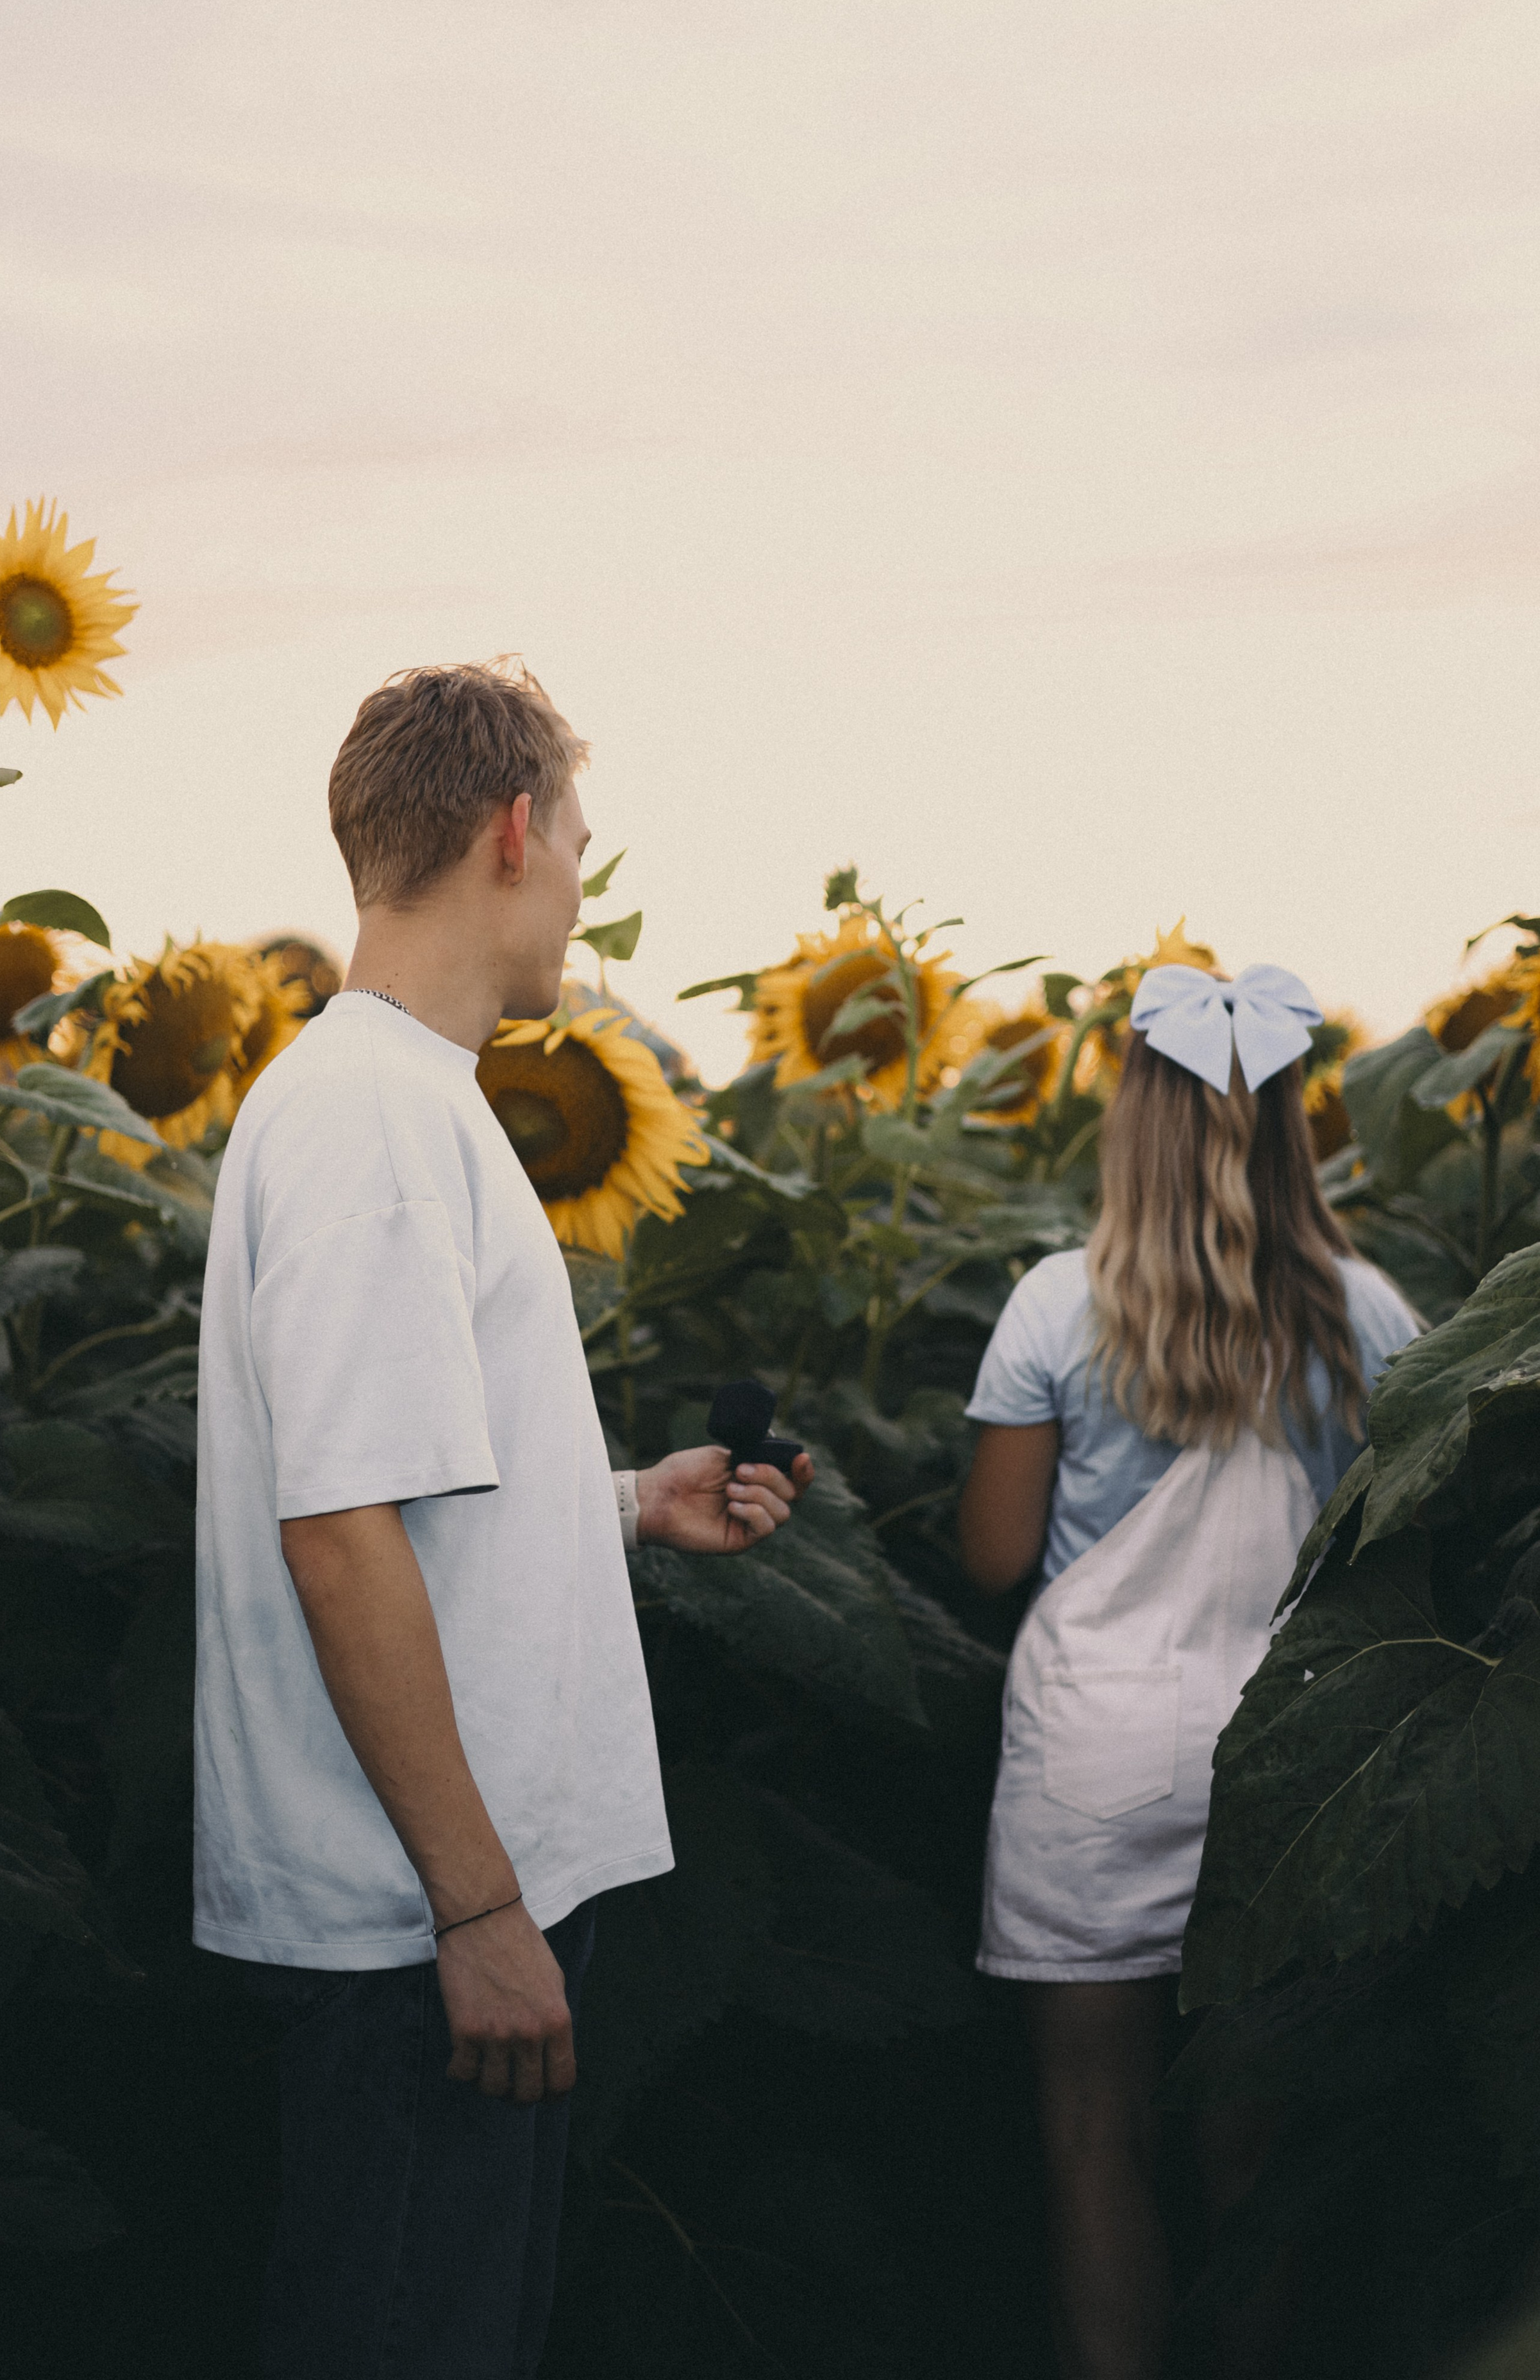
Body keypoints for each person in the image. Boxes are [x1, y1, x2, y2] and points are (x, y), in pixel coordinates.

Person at [192, 660, 812, 2380]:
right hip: (416, 1931)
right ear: (515, 830)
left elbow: (389, 1493)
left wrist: (618, 1504)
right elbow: (339, 1537)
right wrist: (477, 1912)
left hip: (435, 1908)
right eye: (584, 848)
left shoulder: (384, 1103)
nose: (582, 897)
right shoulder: (379, 1126)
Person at [957, 963, 1419, 2380]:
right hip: (1288, 1768)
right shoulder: (1371, 1316)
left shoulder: (1051, 1307)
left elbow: (989, 1557)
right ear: (1293, 1122)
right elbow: (1387, 1566)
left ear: (1133, 1120)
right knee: (1251, 2158)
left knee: (1092, 2144)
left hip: (1091, 1760)